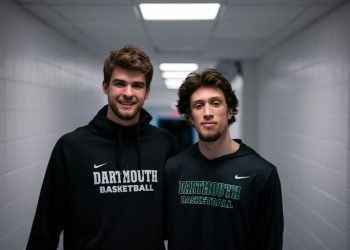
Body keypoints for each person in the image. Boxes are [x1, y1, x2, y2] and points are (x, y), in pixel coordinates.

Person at [27, 45, 175, 250]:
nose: (128, 93)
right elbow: (45, 228)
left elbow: (180, 214)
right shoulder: (72, 146)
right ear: (105, 86)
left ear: (147, 92)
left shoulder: (164, 143)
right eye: (120, 84)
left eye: (137, 85)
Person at [165, 68, 283, 250]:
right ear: (190, 117)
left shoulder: (261, 174)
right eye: (198, 105)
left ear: (229, 111)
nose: (207, 112)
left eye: (215, 103)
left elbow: (270, 243)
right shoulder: (173, 169)